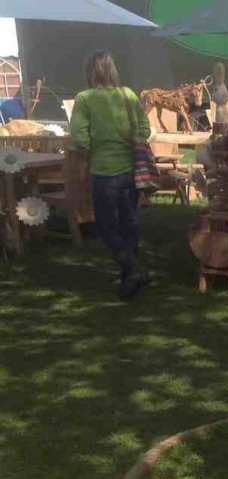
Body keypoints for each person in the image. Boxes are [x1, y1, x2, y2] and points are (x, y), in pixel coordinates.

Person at [70, 50, 151, 301]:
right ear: (112, 70)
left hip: (104, 172)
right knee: (130, 222)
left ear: (90, 72)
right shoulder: (128, 95)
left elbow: (79, 136)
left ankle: (132, 269)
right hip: (131, 170)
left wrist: (92, 147)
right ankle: (131, 275)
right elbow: (146, 129)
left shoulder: (84, 99)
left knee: (105, 226)